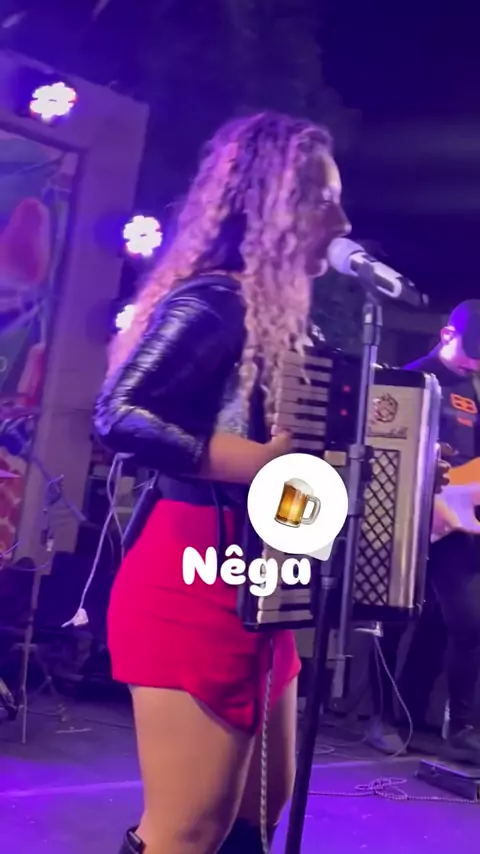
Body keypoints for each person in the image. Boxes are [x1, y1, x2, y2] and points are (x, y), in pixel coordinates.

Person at [94, 111, 350, 854]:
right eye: (323, 200)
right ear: (270, 206)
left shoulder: (277, 318)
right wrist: (260, 462)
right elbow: (120, 414)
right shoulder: (215, 300)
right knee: (188, 831)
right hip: (192, 572)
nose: (342, 221)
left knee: (254, 819)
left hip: (261, 577)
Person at [367, 299, 480, 766]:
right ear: (447, 335)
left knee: (465, 621)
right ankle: (382, 718)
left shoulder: (472, 388)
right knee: (391, 619)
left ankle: (458, 723)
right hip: (407, 517)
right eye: (473, 351)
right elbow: (384, 450)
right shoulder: (413, 378)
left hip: (457, 523)